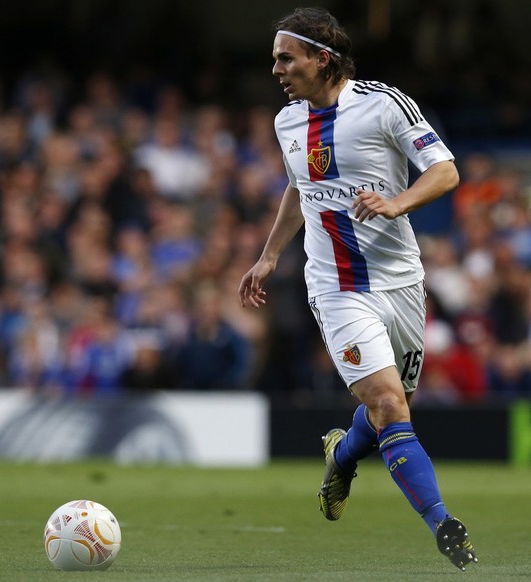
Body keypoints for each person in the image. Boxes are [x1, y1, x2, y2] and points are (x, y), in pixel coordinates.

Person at [238, 7, 477, 571]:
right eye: (275, 59)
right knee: (390, 406)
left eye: (285, 58)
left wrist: (396, 202)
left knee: (382, 420)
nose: (275, 69)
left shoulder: (383, 104)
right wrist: (270, 255)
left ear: (322, 58)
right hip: (337, 288)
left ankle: (341, 457)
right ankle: (444, 524)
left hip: (402, 284)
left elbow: (445, 172)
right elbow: (299, 187)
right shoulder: (288, 122)